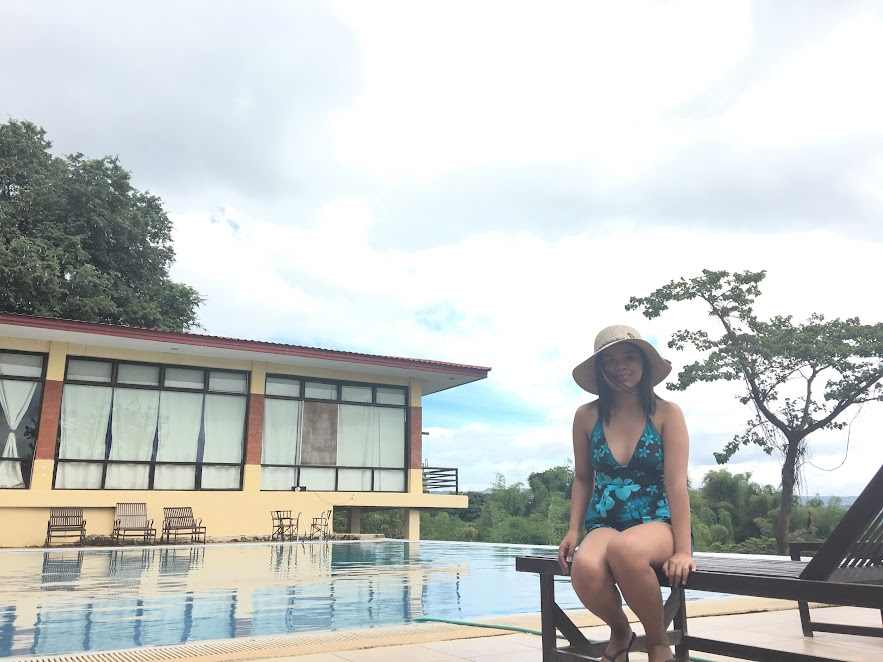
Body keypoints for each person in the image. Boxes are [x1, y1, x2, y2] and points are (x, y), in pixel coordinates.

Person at [558, 325, 694, 662]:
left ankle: (658, 643)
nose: (621, 366)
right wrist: (573, 530)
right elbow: (583, 478)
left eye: (629, 357)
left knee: (626, 549)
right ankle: (620, 630)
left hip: (659, 522)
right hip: (605, 522)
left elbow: (676, 484)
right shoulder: (586, 416)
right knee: (585, 567)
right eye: (610, 360)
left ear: (644, 363)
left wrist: (683, 550)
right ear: (600, 369)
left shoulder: (667, 413)